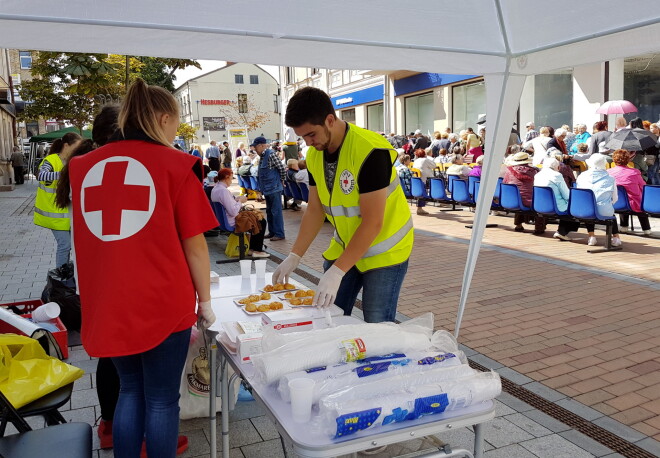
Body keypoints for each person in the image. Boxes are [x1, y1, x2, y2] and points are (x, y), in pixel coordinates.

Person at [68, 79, 218, 458]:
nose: (176, 130)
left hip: (109, 302)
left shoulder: (83, 167)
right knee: (163, 400)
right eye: (177, 122)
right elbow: (196, 247)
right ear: (164, 118)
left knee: (130, 391)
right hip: (163, 302)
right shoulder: (177, 165)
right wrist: (206, 302)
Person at [275, 86, 413, 323]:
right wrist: (295, 255)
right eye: (303, 137)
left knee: (377, 323)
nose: (308, 143)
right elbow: (315, 210)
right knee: (327, 317)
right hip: (347, 246)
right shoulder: (315, 154)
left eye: (311, 135)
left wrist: (337, 272)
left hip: (385, 251)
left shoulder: (370, 150)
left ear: (330, 120)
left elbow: (373, 222)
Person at [34, 131, 82, 268]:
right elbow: (41, 176)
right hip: (54, 215)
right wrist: (64, 174)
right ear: (66, 145)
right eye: (76, 147)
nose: (77, 150)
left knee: (73, 245)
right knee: (65, 245)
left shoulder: (74, 161)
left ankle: (68, 274)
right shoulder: (51, 160)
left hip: (68, 215)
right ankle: (61, 276)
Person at [212, 168, 270, 257]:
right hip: (231, 221)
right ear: (227, 177)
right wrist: (240, 201)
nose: (231, 181)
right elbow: (233, 212)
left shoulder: (215, 189)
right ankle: (256, 250)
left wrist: (235, 199)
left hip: (223, 221)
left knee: (255, 218)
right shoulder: (223, 191)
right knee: (260, 221)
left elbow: (226, 204)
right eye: (231, 178)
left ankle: (252, 248)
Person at [576, 153, 621, 247]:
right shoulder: (610, 178)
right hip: (603, 210)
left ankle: (591, 236)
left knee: (589, 207)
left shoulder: (581, 176)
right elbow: (615, 198)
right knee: (610, 213)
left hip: (583, 210)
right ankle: (616, 238)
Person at [608, 149, 652, 235]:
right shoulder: (634, 172)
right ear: (628, 159)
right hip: (634, 203)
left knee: (622, 196)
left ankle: (624, 226)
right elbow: (643, 186)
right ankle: (646, 228)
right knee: (638, 199)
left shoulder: (609, 172)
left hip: (616, 202)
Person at [503, 151, 545, 234]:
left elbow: (505, 182)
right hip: (530, 200)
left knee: (520, 195)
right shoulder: (534, 172)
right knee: (540, 201)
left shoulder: (509, 171)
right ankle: (539, 227)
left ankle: (518, 224)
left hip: (513, 200)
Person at [533, 157, 574, 241]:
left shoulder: (537, 175)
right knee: (573, 206)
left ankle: (561, 232)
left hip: (539, 205)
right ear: (557, 167)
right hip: (555, 206)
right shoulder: (557, 175)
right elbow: (567, 195)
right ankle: (562, 232)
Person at [254, 136, 286, 241]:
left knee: (276, 211)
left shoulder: (271, 154)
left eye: (255, 147)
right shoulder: (263, 156)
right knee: (270, 211)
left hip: (274, 187)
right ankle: (272, 232)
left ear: (261, 145)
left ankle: (279, 233)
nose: (254, 149)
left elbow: (281, 168)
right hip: (268, 188)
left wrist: (282, 180)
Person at [412, 149, 435, 215]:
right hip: (424, 179)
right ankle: (420, 208)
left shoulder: (416, 161)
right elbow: (434, 165)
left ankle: (420, 208)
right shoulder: (425, 160)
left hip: (417, 179)